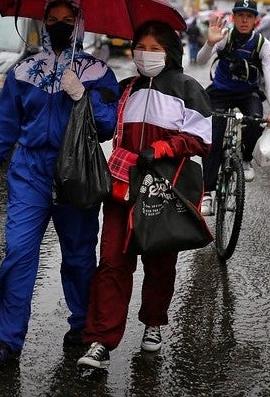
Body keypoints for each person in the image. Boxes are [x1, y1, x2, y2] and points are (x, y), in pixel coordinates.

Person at [0, 0, 119, 367]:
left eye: (67, 21)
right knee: (19, 253)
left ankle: (82, 325)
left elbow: (108, 125)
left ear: (80, 25)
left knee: (78, 256)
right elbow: (7, 121)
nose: (58, 27)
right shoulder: (23, 71)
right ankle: (7, 340)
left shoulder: (98, 72)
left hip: (77, 172)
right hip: (30, 173)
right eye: (52, 21)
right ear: (42, 23)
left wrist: (80, 96)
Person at [77, 21, 213, 370]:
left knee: (159, 263)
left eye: (154, 48)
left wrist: (165, 146)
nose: (146, 54)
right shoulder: (126, 89)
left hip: (164, 189)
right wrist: (81, 95)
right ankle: (100, 340)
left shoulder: (187, 88)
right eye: (141, 47)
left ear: (169, 52)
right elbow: (102, 123)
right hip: (122, 185)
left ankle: (154, 322)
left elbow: (201, 137)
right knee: (111, 262)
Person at [195, 0, 270, 215]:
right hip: (220, 92)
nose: (244, 20)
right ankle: (207, 192)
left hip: (247, 93)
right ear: (233, 18)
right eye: (240, 15)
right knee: (213, 137)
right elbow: (200, 61)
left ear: (256, 20)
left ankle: (245, 159)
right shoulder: (225, 38)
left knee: (256, 121)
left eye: (249, 16)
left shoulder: (264, 45)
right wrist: (210, 43)